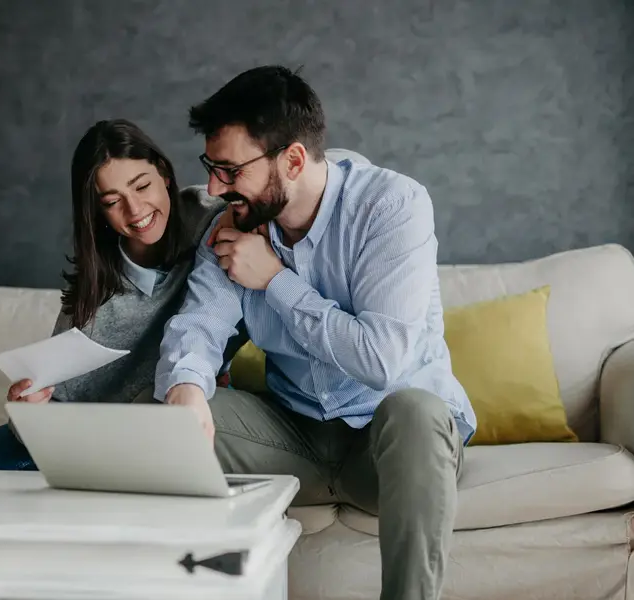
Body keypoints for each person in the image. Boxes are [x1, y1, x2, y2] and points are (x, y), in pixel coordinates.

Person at [153, 65, 477, 600]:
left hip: (391, 447)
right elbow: (198, 325)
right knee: (158, 407)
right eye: (210, 167)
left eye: (229, 170)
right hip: (295, 439)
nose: (213, 188)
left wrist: (276, 281)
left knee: (416, 411)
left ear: (294, 160)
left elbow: (384, 362)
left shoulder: (391, 207)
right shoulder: (232, 224)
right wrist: (185, 387)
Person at [0, 118, 243, 471]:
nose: (135, 210)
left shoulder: (214, 216)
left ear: (164, 175)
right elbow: (46, 412)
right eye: (112, 201)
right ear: (99, 212)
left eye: (142, 186)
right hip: (99, 432)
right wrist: (27, 407)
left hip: (183, 409)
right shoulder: (95, 303)